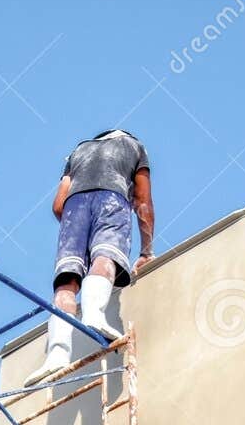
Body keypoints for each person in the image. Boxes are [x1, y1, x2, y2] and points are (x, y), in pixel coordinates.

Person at [26, 129, 155, 385]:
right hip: (111, 198)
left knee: (66, 281)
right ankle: (94, 314)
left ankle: (57, 354)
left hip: (74, 207)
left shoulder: (79, 150)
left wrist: (79, 230)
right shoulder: (134, 147)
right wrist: (146, 251)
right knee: (105, 256)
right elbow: (142, 200)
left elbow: (58, 205)